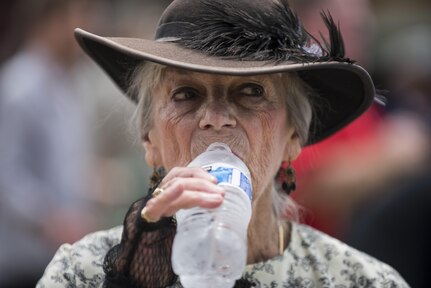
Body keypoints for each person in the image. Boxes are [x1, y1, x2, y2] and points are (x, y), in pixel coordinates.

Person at [37, 0, 409, 287]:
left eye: (251, 91)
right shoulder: (81, 272)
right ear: (150, 139)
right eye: (185, 94)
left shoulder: (358, 280)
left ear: (293, 137)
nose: (215, 117)